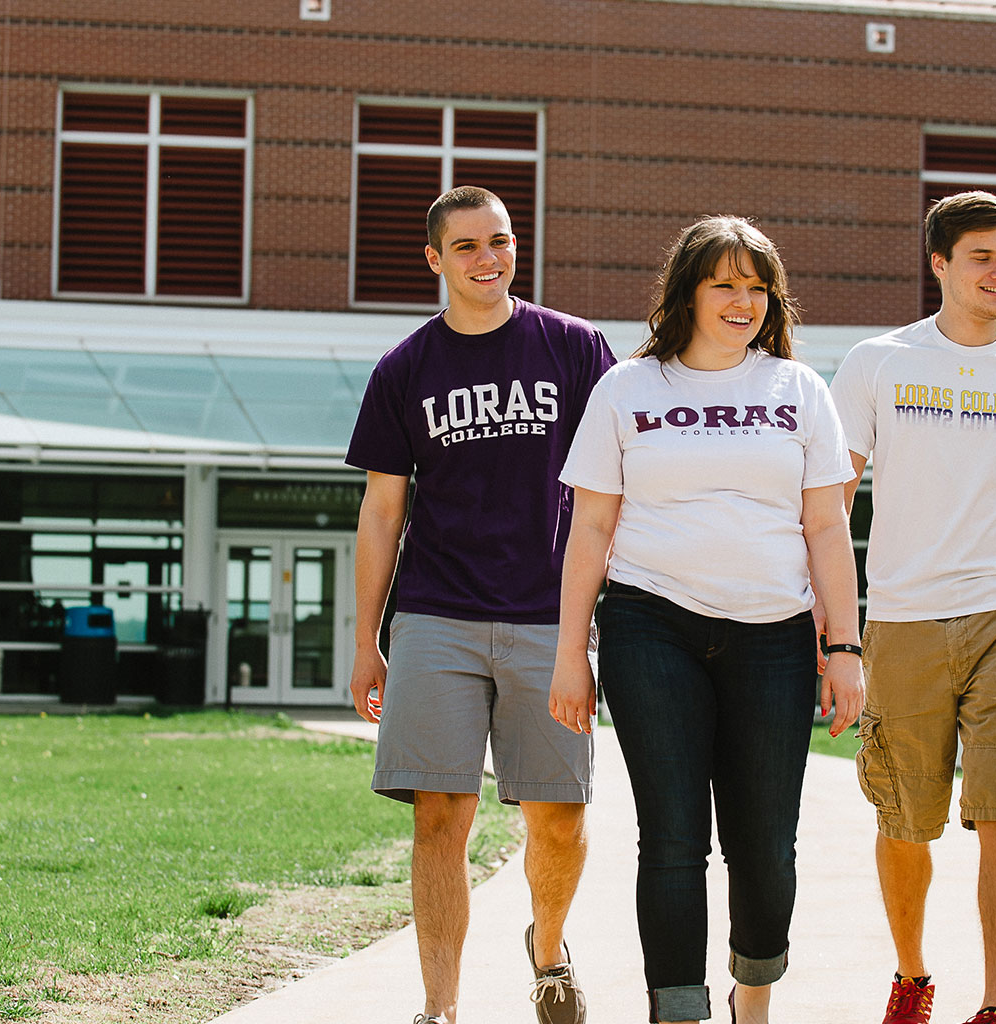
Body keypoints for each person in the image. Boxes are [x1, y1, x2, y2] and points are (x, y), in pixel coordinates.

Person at [549, 215, 866, 1024]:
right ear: (687, 292)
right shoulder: (627, 389)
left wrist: (844, 646)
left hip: (775, 637)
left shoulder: (800, 390)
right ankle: (678, 1010)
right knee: (674, 839)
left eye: (757, 287)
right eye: (724, 283)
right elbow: (590, 529)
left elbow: (827, 527)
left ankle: (752, 989)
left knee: (764, 847)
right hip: (651, 624)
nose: (742, 301)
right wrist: (570, 652)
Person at [345, 185, 616, 1024]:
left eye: (498, 241)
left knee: (560, 819)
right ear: (435, 259)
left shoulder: (574, 350)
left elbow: (620, 484)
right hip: (436, 615)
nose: (488, 258)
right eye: (466, 246)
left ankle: (547, 949)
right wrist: (366, 641)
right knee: (438, 818)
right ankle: (441, 1008)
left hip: (549, 617)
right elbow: (383, 509)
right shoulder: (405, 368)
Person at [830, 191, 996, 1024]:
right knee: (907, 821)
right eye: (982, 256)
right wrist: (835, 628)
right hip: (903, 617)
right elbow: (834, 501)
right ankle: (912, 975)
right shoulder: (878, 364)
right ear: (938, 264)